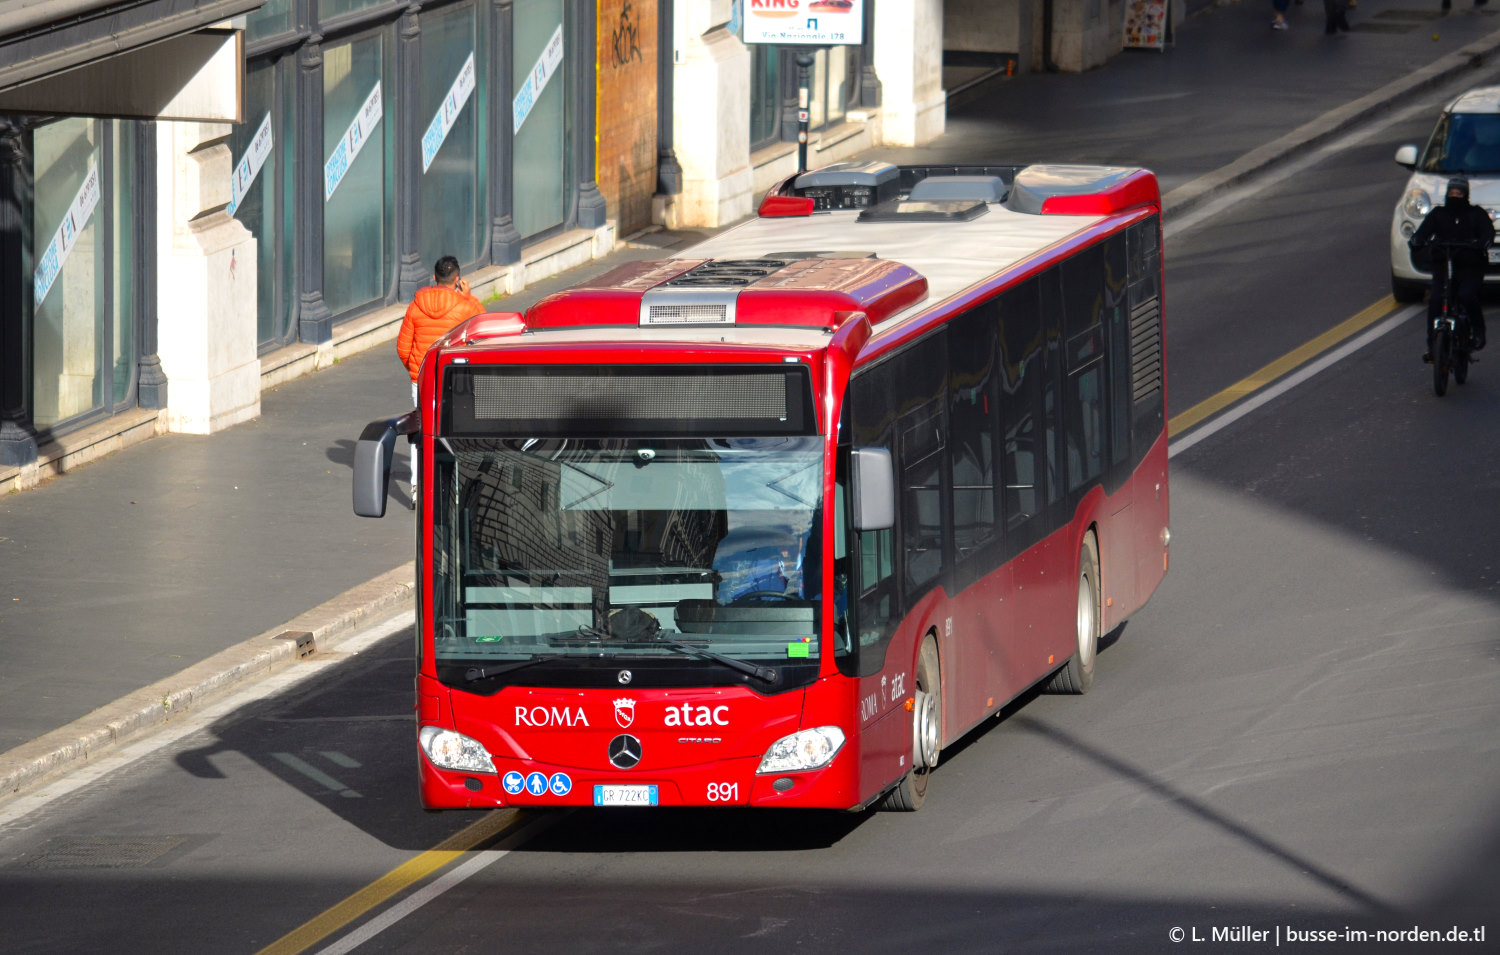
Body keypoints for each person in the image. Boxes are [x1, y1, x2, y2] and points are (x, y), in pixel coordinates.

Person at [396, 255, 485, 490]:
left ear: (434, 277)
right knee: (455, 430)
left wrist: (416, 369)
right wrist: (468, 296)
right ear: (457, 279)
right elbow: (483, 330)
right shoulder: (465, 306)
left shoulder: (416, 305)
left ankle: (417, 486)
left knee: (420, 432)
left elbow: (403, 347)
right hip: (455, 379)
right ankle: (452, 485)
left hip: (422, 379)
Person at [1410, 177, 1494, 361]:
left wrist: (1482, 243)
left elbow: (1488, 232)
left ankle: (1477, 331)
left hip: (1469, 267)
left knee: (1466, 295)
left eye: (1459, 193)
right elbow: (1423, 232)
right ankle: (1432, 345)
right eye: (1452, 192)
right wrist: (1417, 240)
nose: (1455, 196)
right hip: (1444, 265)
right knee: (1436, 301)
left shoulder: (1475, 214)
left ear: (1466, 195)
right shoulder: (1439, 213)